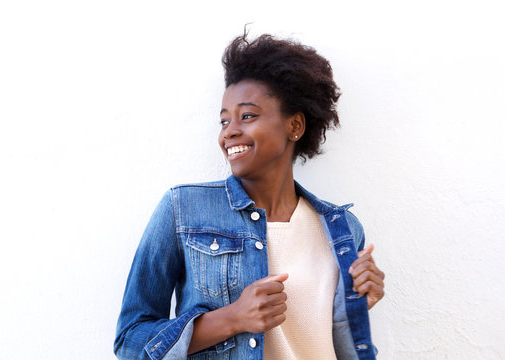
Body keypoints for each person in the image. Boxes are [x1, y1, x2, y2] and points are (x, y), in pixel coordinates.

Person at [114, 31, 385, 360]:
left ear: (295, 126)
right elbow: (129, 341)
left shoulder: (343, 230)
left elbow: (345, 347)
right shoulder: (182, 210)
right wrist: (232, 318)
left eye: (248, 115)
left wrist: (358, 305)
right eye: (224, 120)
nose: (229, 131)